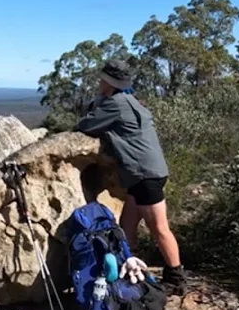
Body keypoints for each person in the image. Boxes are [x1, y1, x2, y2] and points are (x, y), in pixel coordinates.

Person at [74, 59, 188, 296]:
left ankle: (176, 278)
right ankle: (127, 264)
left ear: (110, 83)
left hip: (145, 175)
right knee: (126, 225)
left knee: (159, 228)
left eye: (102, 79)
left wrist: (95, 108)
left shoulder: (115, 104)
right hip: (146, 173)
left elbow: (86, 126)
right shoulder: (131, 101)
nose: (99, 83)